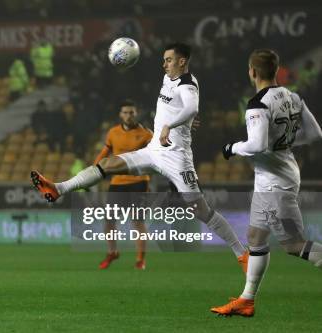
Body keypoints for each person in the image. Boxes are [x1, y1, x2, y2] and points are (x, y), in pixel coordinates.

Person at [30, 43, 248, 271]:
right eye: (164, 59)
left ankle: (242, 254)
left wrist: (171, 125)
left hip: (176, 157)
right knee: (106, 164)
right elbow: (176, 109)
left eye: (169, 60)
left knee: (201, 210)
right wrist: (179, 122)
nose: (164, 64)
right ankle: (58, 189)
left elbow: (191, 108)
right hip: (154, 151)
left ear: (182, 61)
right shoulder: (168, 79)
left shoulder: (187, 83)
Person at [211, 49, 322, 317]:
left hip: (275, 185)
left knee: (294, 245)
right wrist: (283, 143)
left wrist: (232, 147)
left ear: (252, 72)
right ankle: (247, 300)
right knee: (256, 238)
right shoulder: (292, 96)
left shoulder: (258, 104)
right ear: (275, 70)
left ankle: (247, 299)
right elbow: (316, 133)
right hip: (274, 178)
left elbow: (257, 145)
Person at [95, 100, 153, 270]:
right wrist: (95, 170)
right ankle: (112, 252)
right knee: (109, 221)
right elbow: (104, 153)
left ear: (136, 114)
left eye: (131, 112)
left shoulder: (146, 134)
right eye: (125, 112)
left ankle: (140, 260)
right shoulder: (113, 133)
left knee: (137, 222)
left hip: (139, 182)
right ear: (120, 115)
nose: (128, 115)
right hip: (117, 181)